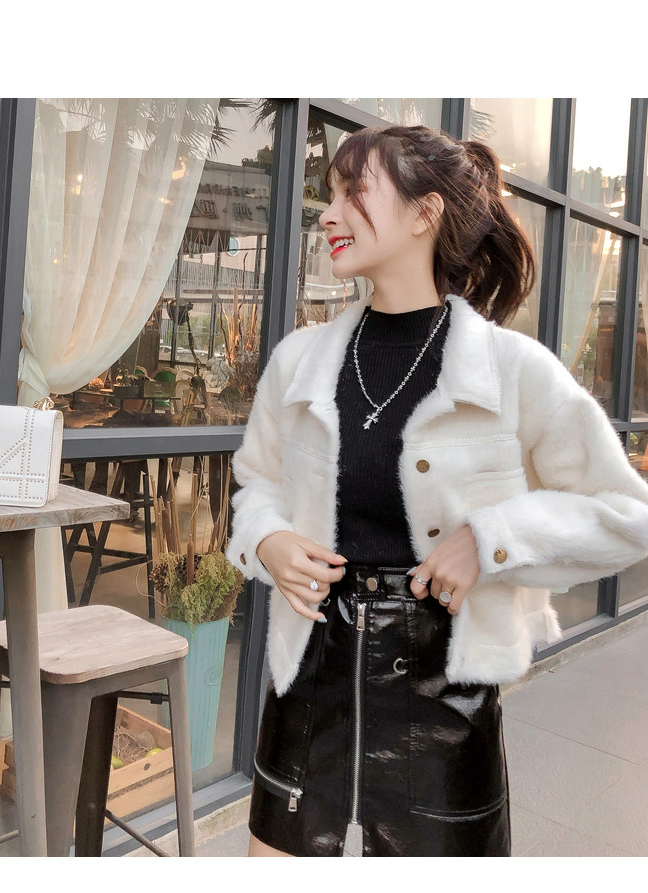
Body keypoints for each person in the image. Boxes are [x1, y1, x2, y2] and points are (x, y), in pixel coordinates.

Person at [225, 124, 648, 858]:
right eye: (330, 196)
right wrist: (267, 537)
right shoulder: (299, 361)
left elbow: (626, 514)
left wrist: (491, 539)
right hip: (311, 676)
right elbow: (256, 480)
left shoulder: (511, 369)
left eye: (353, 193)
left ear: (425, 213)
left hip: (444, 694)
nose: (329, 215)